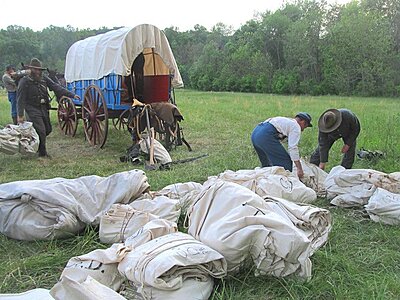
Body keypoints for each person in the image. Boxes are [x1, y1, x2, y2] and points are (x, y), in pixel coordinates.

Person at [17, 58, 80, 158]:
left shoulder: (44, 79)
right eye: (35, 70)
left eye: (39, 70)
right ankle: (42, 153)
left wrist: (71, 95)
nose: (38, 72)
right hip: (32, 108)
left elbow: (56, 87)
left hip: (43, 107)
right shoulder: (24, 81)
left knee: (48, 129)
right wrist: (20, 115)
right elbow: (20, 99)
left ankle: (35, 143)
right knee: (41, 130)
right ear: (31, 69)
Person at [251, 112, 313, 178]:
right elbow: (293, 148)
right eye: (304, 127)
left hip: (255, 134)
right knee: (286, 165)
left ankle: (265, 183)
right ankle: (283, 185)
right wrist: (299, 169)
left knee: (267, 165)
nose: (303, 130)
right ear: (303, 122)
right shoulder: (296, 126)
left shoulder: (287, 121)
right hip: (265, 136)